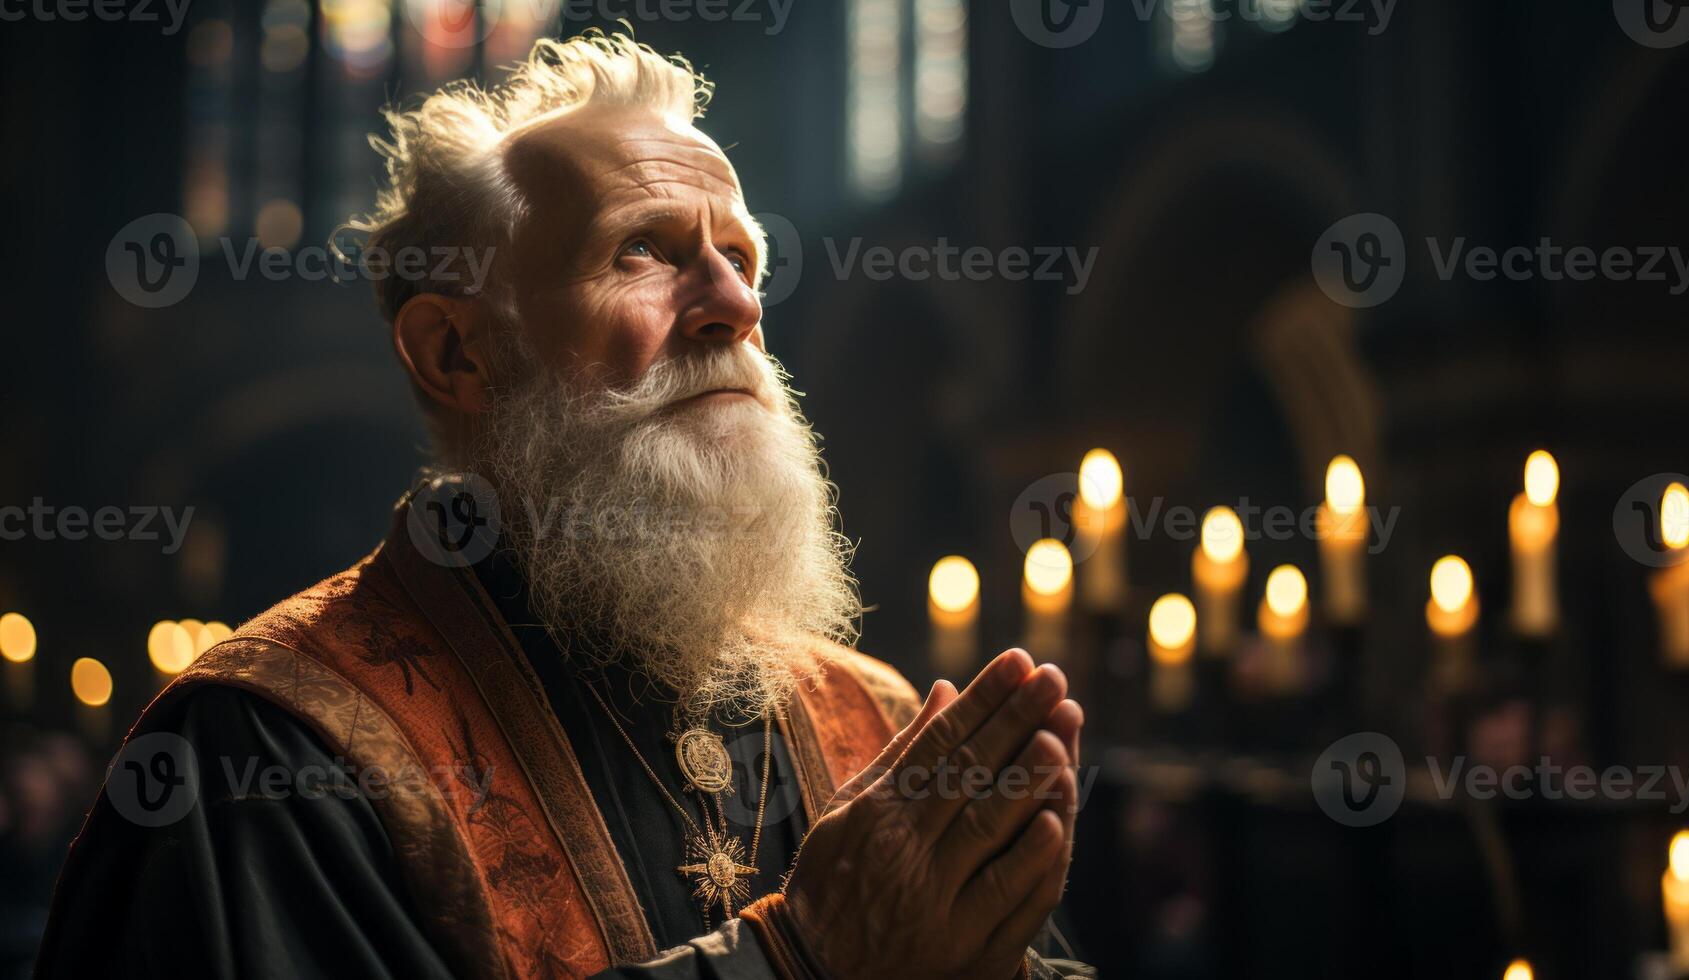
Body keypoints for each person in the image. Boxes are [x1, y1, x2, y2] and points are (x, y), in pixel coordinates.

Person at [38, 31, 1090, 979]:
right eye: (644, 250)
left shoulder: (879, 720)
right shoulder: (269, 756)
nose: (736, 303)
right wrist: (798, 959)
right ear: (459, 352)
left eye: (743, 257)